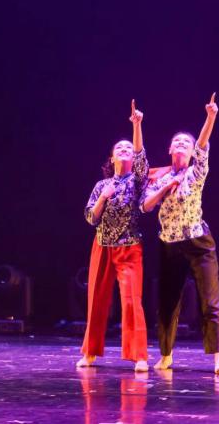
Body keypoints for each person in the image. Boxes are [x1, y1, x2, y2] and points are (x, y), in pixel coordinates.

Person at [141, 93, 219, 375]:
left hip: (198, 243)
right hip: (170, 245)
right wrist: (166, 188)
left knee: (209, 301)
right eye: (176, 142)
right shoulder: (158, 178)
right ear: (169, 149)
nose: (181, 144)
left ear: (191, 153)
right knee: (167, 303)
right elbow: (145, 206)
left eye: (186, 143)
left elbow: (202, 145)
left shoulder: (196, 172)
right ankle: (166, 355)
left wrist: (210, 117)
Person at [78, 100, 149, 372]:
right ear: (112, 158)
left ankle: (139, 356)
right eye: (119, 148)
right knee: (96, 301)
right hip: (102, 246)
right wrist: (102, 199)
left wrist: (137, 125)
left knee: (131, 301)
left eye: (127, 148)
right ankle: (90, 352)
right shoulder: (102, 185)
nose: (124, 150)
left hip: (129, 247)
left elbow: (140, 156)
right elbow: (90, 217)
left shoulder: (138, 180)